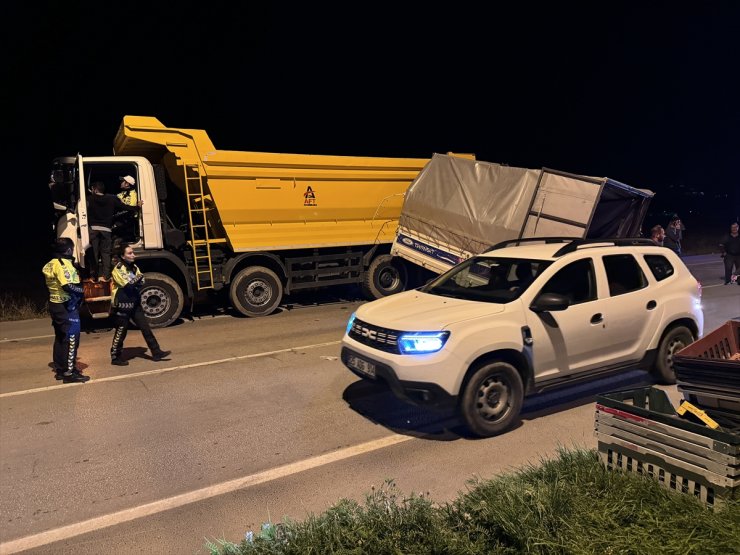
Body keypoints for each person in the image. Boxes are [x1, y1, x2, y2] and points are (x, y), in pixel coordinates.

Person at [110, 243, 171, 366]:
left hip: (134, 302)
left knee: (145, 327)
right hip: (122, 303)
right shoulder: (118, 269)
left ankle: (156, 352)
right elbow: (129, 284)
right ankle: (115, 356)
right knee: (121, 330)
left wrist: (137, 279)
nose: (133, 255)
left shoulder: (134, 267)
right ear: (122, 256)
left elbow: (141, 281)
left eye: (133, 252)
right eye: (130, 253)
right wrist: (137, 279)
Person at [42, 238, 90, 383]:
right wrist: (83, 291)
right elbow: (68, 286)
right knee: (72, 338)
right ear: (69, 250)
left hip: (55, 304)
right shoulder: (63, 265)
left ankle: (61, 369)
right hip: (66, 305)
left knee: (61, 337)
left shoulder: (50, 263)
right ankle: (70, 372)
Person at [87, 181, 142, 282]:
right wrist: (137, 207)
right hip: (106, 230)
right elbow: (125, 207)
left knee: (93, 253)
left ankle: (94, 276)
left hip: (93, 229)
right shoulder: (112, 198)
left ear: (94, 189)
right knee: (106, 253)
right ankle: (106, 276)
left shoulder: (89, 199)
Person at [113, 175, 140, 246]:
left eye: (122, 181)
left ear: (127, 184)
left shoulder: (133, 195)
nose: (120, 183)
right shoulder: (121, 193)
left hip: (127, 224)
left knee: (116, 241)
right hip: (120, 222)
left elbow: (129, 210)